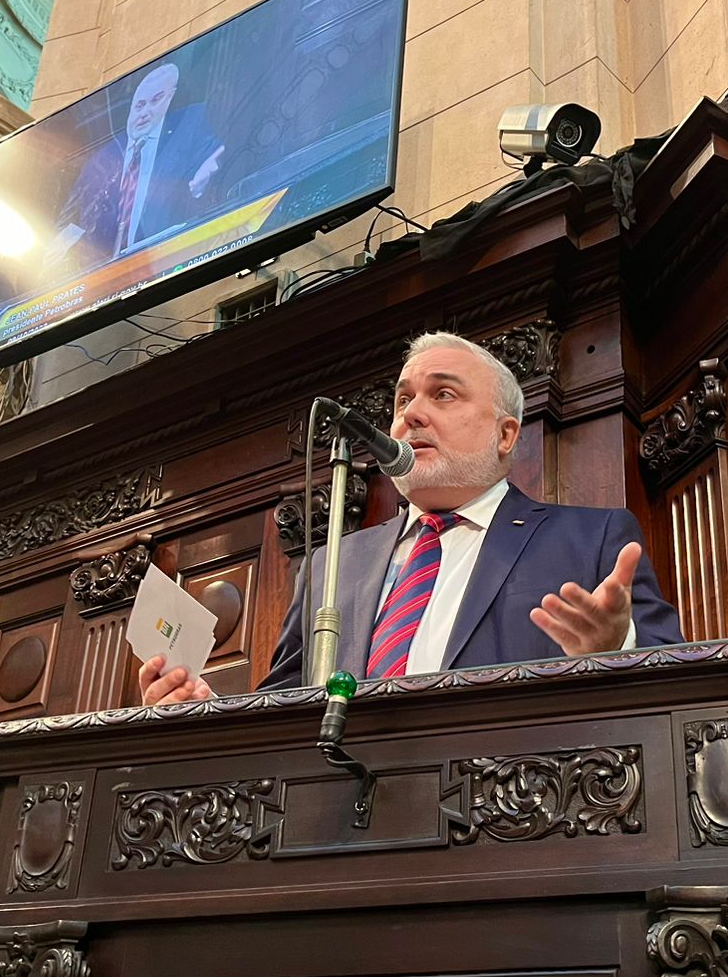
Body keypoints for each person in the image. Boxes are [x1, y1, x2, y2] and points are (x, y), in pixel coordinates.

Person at [140, 332, 684, 704]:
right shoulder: (333, 563)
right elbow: (283, 709)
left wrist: (617, 651)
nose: (412, 415)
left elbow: (680, 687)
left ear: (505, 435)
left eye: (443, 395)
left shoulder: (591, 539)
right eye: (403, 401)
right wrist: (204, 710)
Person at [42, 63, 225, 275]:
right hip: (103, 277)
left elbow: (221, 161)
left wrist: (208, 174)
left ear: (172, 97)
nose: (145, 112)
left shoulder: (194, 123)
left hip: (173, 264)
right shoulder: (102, 159)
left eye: (156, 100)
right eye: (139, 105)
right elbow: (70, 220)